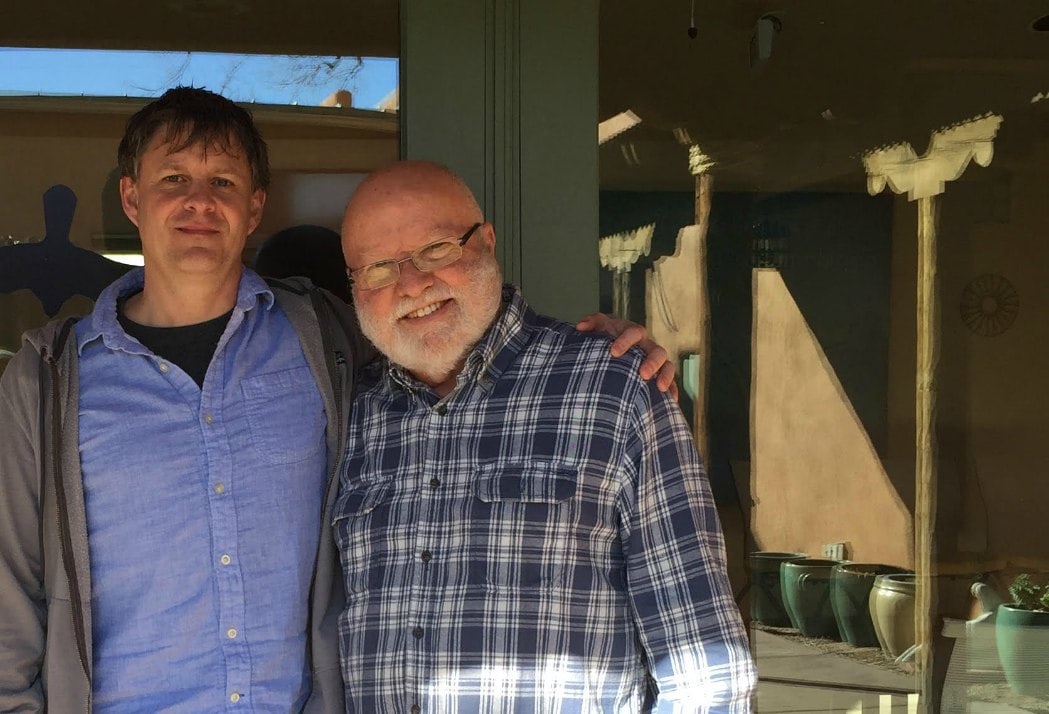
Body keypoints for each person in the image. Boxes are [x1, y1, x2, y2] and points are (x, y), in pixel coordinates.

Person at [0, 88, 673, 712]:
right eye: (173, 178)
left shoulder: (327, 339)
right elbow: (10, 594)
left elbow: (449, 342)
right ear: (131, 198)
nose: (198, 201)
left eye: (223, 181)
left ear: (255, 207)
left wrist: (596, 351)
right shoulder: (50, 381)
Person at [335, 160, 757, 713]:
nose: (413, 284)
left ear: (487, 242)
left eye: (436, 249)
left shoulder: (613, 389)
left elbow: (702, 664)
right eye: (379, 269)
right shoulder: (344, 415)